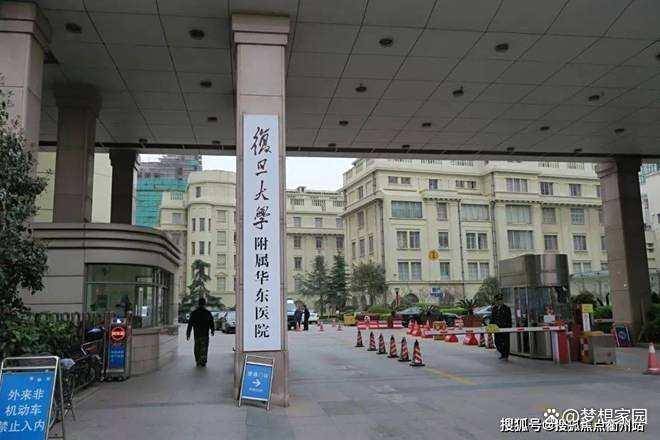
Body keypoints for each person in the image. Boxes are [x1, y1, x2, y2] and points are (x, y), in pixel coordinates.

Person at [186, 297, 215, 367]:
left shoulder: (194, 313)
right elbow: (211, 322)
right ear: (205, 304)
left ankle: (198, 360)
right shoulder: (207, 313)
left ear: (198, 304)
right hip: (205, 334)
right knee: (204, 348)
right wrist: (212, 330)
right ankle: (203, 361)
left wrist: (188, 334)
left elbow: (190, 324)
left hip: (197, 334)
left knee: (197, 348)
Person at [491, 293, 512, 360]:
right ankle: (502, 353)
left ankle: (505, 355)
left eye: (500, 300)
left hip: (505, 328)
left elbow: (509, 319)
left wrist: (509, 328)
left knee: (506, 342)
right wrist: (491, 327)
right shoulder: (494, 308)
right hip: (496, 328)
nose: (499, 301)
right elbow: (492, 319)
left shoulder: (506, 308)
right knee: (497, 342)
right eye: (497, 300)